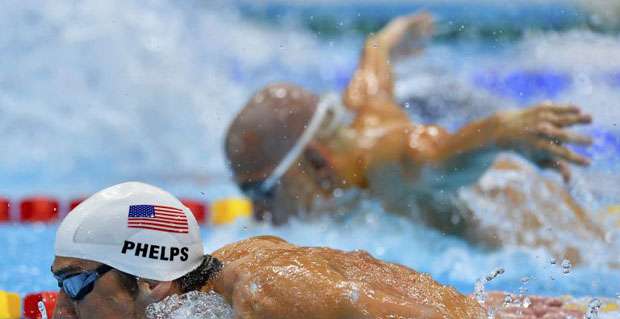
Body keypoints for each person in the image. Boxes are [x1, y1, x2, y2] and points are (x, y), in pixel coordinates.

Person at [52, 182, 619, 319]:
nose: (57, 312)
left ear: (151, 280)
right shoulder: (215, 291)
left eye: (75, 283)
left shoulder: (271, 297)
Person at [224, 13, 607, 265]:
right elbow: (373, 71)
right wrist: (383, 43)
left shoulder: (389, 162)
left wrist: (501, 132)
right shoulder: (360, 109)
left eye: (263, 191)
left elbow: (436, 153)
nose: (259, 214)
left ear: (316, 160)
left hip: (561, 250)